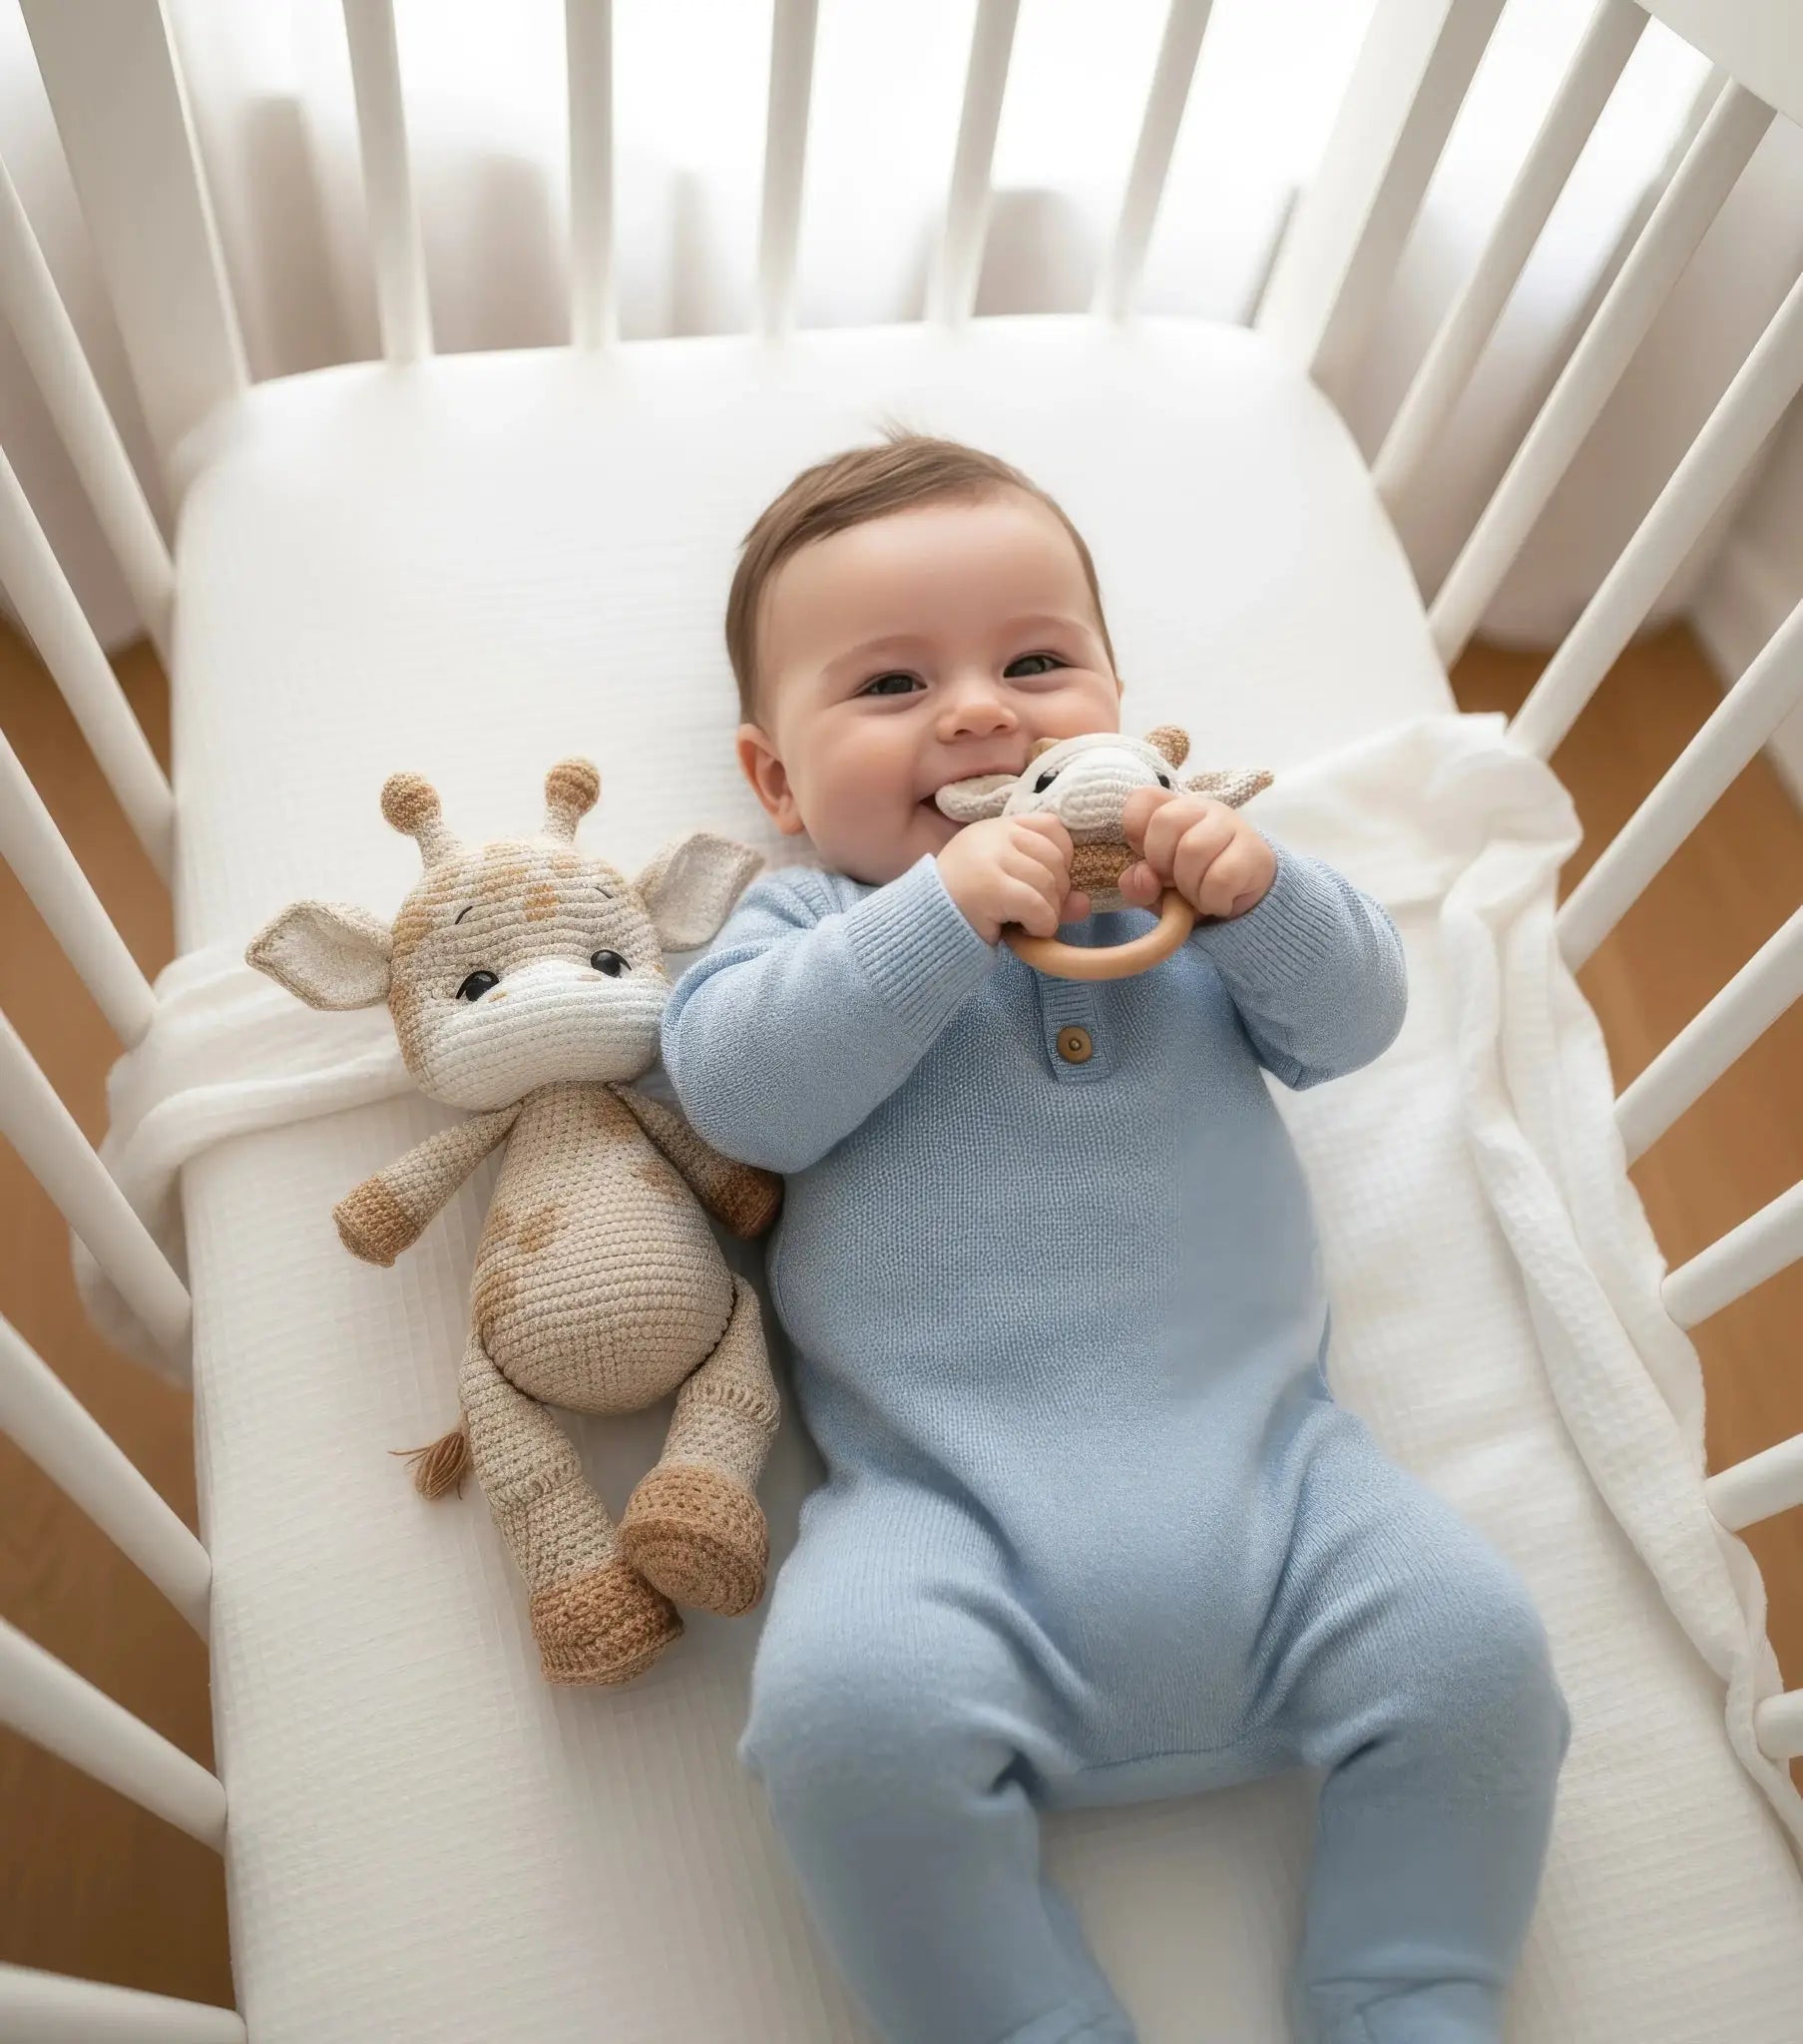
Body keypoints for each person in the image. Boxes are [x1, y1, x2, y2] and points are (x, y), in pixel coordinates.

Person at [661, 431, 1570, 2044]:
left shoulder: (1185, 909)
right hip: (952, 1527)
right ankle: (1026, 2020)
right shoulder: (808, 927)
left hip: (1286, 1492)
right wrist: (936, 912)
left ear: (1128, 718)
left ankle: (1407, 1988)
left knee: (1482, 1654)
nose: (981, 714)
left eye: (1034, 662)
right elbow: (741, 1093)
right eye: (890, 686)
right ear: (779, 783)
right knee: (835, 1723)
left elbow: (1357, 1019)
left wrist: (1261, 889)